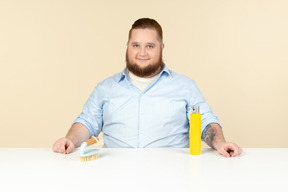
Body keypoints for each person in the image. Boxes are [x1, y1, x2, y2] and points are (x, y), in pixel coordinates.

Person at [53, 18, 242, 157]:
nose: (142, 53)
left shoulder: (186, 87)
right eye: (136, 45)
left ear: (161, 48)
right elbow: (87, 122)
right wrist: (70, 140)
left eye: (150, 46)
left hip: (175, 175)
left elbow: (204, 122)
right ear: (127, 46)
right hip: (115, 175)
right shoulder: (105, 88)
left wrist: (220, 143)